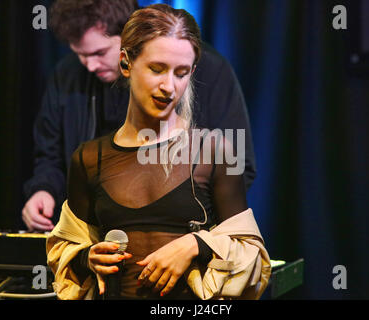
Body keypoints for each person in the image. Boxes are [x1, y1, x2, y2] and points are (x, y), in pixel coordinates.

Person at [46, 4, 270, 300]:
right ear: (126, 63)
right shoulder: (89, 159)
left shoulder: (213, 152)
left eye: (181, 73)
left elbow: (252, 257)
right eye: (157, 69)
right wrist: (88, 257)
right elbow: (64, 249)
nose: (169, 86)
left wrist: (195, 245)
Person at [22, 0, 257, 232]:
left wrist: (191, 236)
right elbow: (49, 153)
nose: (90, 65)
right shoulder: (68, 74)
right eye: (80, 55)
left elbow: (236, 166)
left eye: (99, 52)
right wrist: (44, 189)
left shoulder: (211, 72)